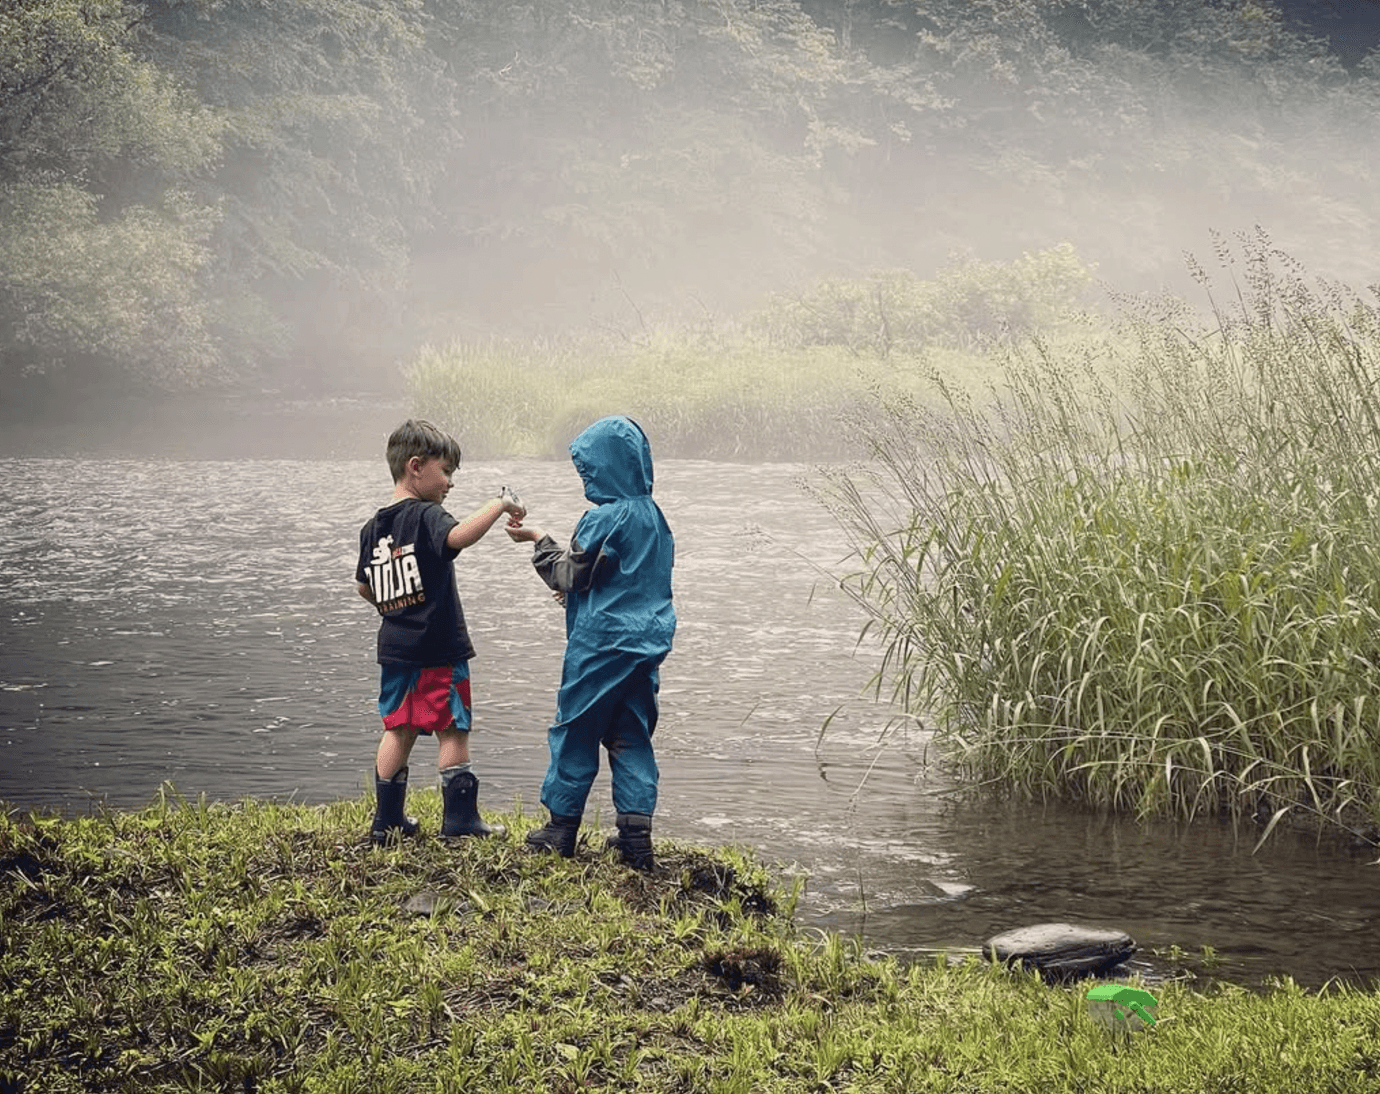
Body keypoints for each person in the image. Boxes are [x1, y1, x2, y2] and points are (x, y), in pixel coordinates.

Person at [506, 415, 676, 870]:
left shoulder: (602, 517)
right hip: (647, 644)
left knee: (575, 728)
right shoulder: (656, 519)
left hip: (601, 645)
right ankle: (635, 840)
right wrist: (581, 585)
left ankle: (561, 829)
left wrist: (540, 540)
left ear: (607, 468)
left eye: (589, 471)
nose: (586, 480)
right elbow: (624, 578)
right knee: (631, 734)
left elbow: (569, 573)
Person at [355, 419, 526, 844]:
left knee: (399, 727)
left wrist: (393, 606)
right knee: (452, 726)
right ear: (416, 466)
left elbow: (363, 585)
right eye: (445, 471)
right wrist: (499, 504)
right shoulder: (427, 515)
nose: (449, 482)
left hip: (395, 648)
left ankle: (387, 822)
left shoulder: (373, 526)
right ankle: (460, 822)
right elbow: (457, 537)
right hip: (438, 646)